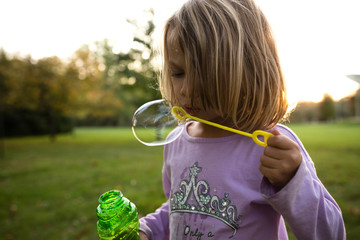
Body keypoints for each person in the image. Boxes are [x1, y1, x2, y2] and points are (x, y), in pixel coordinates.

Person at [138, 0, 346, 239]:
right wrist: (149, 229)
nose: (186, 90)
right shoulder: (176, 141)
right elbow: (180, 208)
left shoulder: (271, 146)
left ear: (245, 68)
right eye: (178, 73)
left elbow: (332, 234)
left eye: (203, 74)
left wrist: (293, 182)